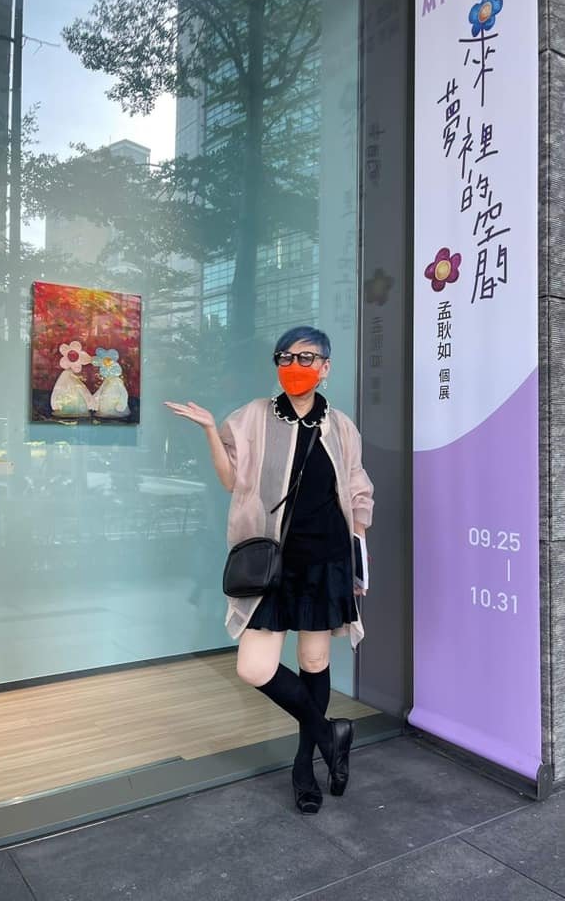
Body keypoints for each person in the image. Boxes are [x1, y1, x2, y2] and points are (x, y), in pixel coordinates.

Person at [164, 326, 373, 814]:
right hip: (273, 562)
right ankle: (330, 734)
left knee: (315, 662)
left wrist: (359, 565)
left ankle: (304, 765)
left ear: (326, 367)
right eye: (286, 357)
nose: (295, 366)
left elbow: (358, 492)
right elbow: (231, 480)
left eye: (306, 358)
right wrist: (210, 430)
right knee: (254, 667)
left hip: (327, 559)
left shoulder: (341, 426)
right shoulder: (254, 416)